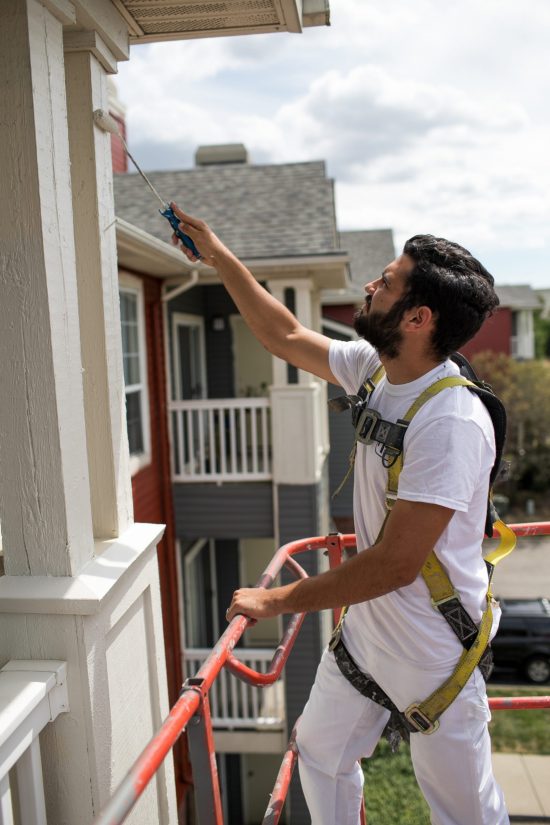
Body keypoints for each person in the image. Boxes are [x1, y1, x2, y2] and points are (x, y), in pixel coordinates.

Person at [170, 203, 509, 825]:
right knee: (321, 754)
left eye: (386, 281)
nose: (369, 286)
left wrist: (274, 602)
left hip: (434, 653)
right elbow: (288, 337)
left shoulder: (450, 421)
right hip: (367, 635)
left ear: (418, 317)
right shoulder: (379, 369)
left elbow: (395, 565)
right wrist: (218, 255)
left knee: (465, 813)